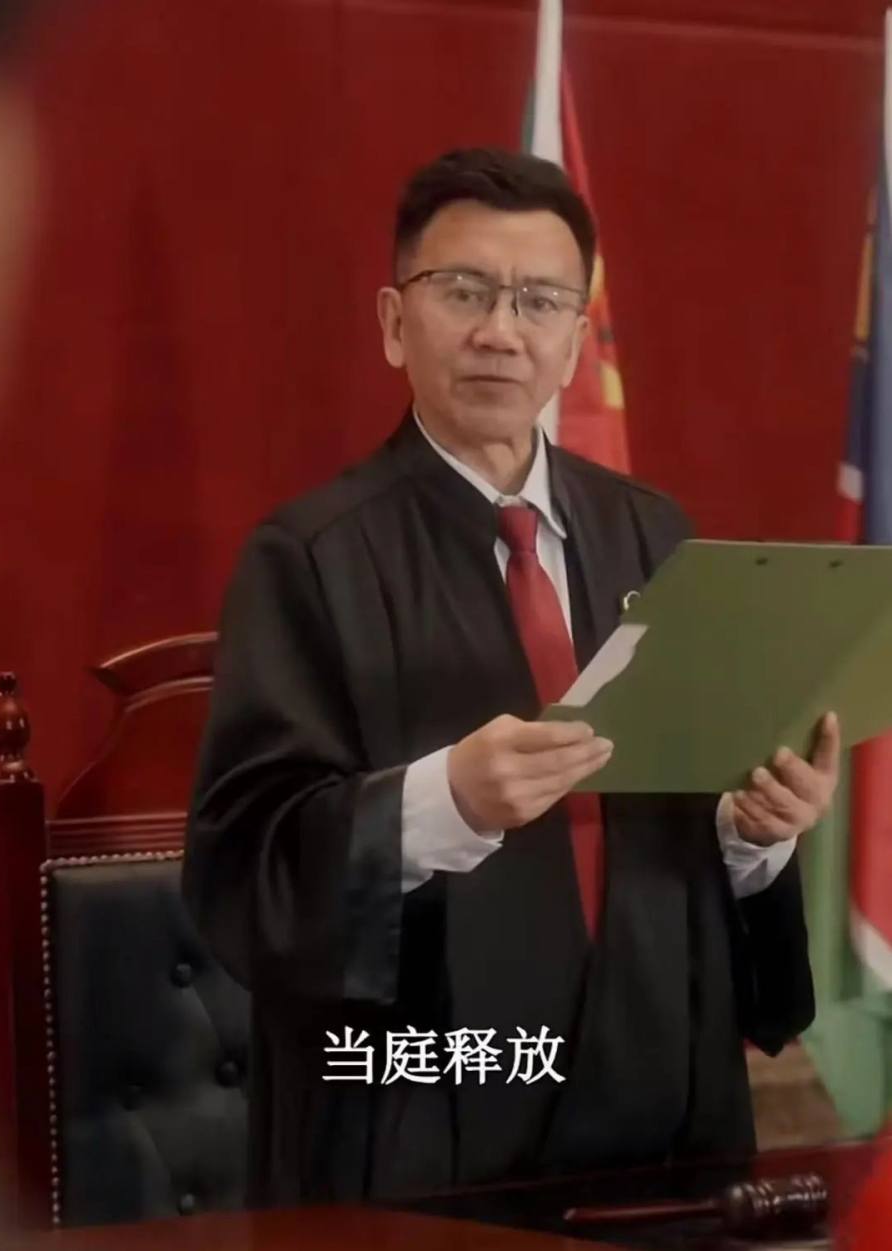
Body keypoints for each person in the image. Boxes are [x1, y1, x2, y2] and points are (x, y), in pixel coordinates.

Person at [183, 148, 838, 1207]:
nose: (501, 330)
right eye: (465, 291)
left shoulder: (657, 536)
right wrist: (444, 800)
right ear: (395, 322)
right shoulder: (309, 559)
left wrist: (755, 836)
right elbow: (245, 868)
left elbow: (687, 824)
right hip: (429, 1122)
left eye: (539, 301)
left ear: (576, 340)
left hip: (662, 1118)